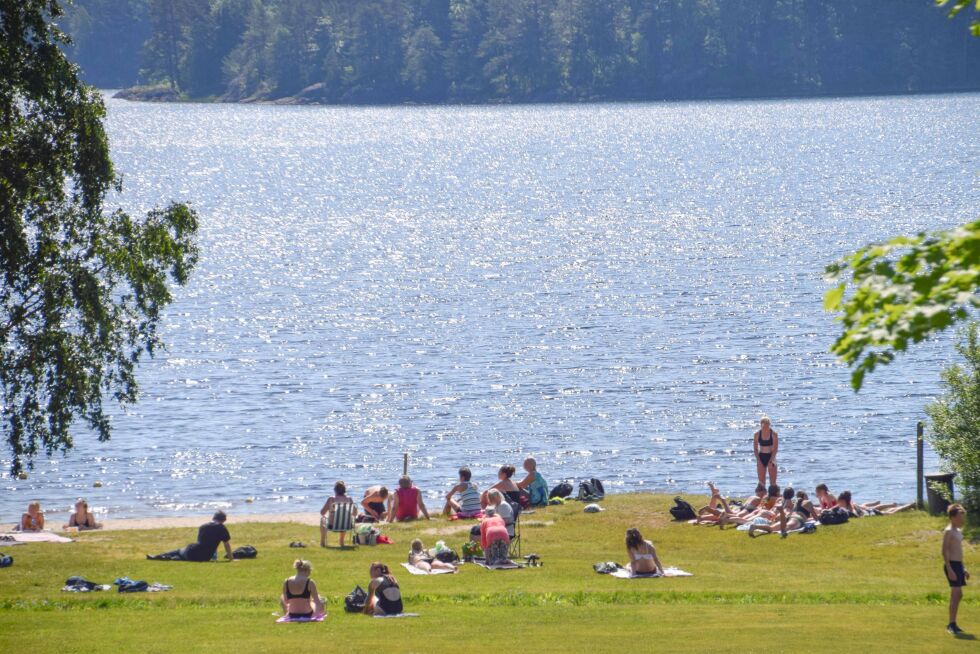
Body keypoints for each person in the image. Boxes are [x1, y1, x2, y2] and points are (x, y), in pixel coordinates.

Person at [146, 511, 233, 562]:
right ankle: (170, 558)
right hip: (205, 557)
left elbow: (202, 541)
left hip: (192, 551)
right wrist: (231, 558)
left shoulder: (203, 526)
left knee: (179, 551)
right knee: (180, 555)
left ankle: (159, 556)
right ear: (224, 520)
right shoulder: (221, 528)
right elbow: (226, 544)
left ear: (213, 517)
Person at [943, 504, 970, 636]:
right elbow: (945, 551)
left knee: (959, 595)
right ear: (952, 517)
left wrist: (963, 568)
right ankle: (951, 624)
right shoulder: (948, 531)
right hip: (951, 565)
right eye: (959, 518)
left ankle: (953, 623)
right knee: (956, 594)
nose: (961, 520)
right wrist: (949, 569)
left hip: (958, 565)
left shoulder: (958, 531)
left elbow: (959, 552)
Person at [320, 480, 356, 547]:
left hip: (332, 526)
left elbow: (322, 512)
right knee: (344, 519)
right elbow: (355, 513)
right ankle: (341, 541)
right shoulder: (349, 499)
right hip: (346, 526)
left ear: (335, 490)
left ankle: (322, 542)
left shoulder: (331, 499)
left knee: (322, 519)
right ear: (344, 490)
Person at [753, 416, 778, 487]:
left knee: (773, 483)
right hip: (761, 456)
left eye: (767, 426)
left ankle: (772, 496)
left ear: (769, 425)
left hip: (771, 456)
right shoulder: (757, 434)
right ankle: (762, 496)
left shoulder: (774, 434)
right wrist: (758, 460)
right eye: (763, 426)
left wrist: (771, 461)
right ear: (761, 425)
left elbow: (775, 449)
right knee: (761, 483)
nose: (765, 428)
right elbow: (755, 449)